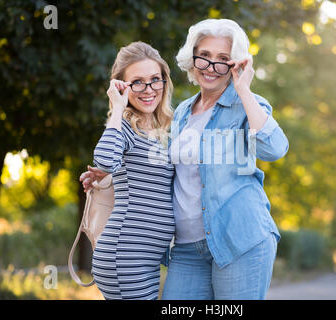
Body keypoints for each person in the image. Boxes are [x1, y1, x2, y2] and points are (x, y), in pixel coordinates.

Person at [81, 18, 289, 300]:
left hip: (240, 240)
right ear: (192, 59)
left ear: (235, 65)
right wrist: (109, 177)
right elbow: (165, 171)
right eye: (204, 56)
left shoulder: (248, 104)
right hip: (188, 248)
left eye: (223, 59)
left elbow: (274, 148)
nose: (211, 67)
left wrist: (244, 90)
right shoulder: (180, 113)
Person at [84, 41, 175, 300]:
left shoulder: (168, 128)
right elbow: (104, 159)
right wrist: (117, 107)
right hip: (125, 256)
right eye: (137, 82)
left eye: (155, 80)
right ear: (122, 86)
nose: (148, 90)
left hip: (150, 257)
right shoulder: (124, 127)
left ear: (164, 82)